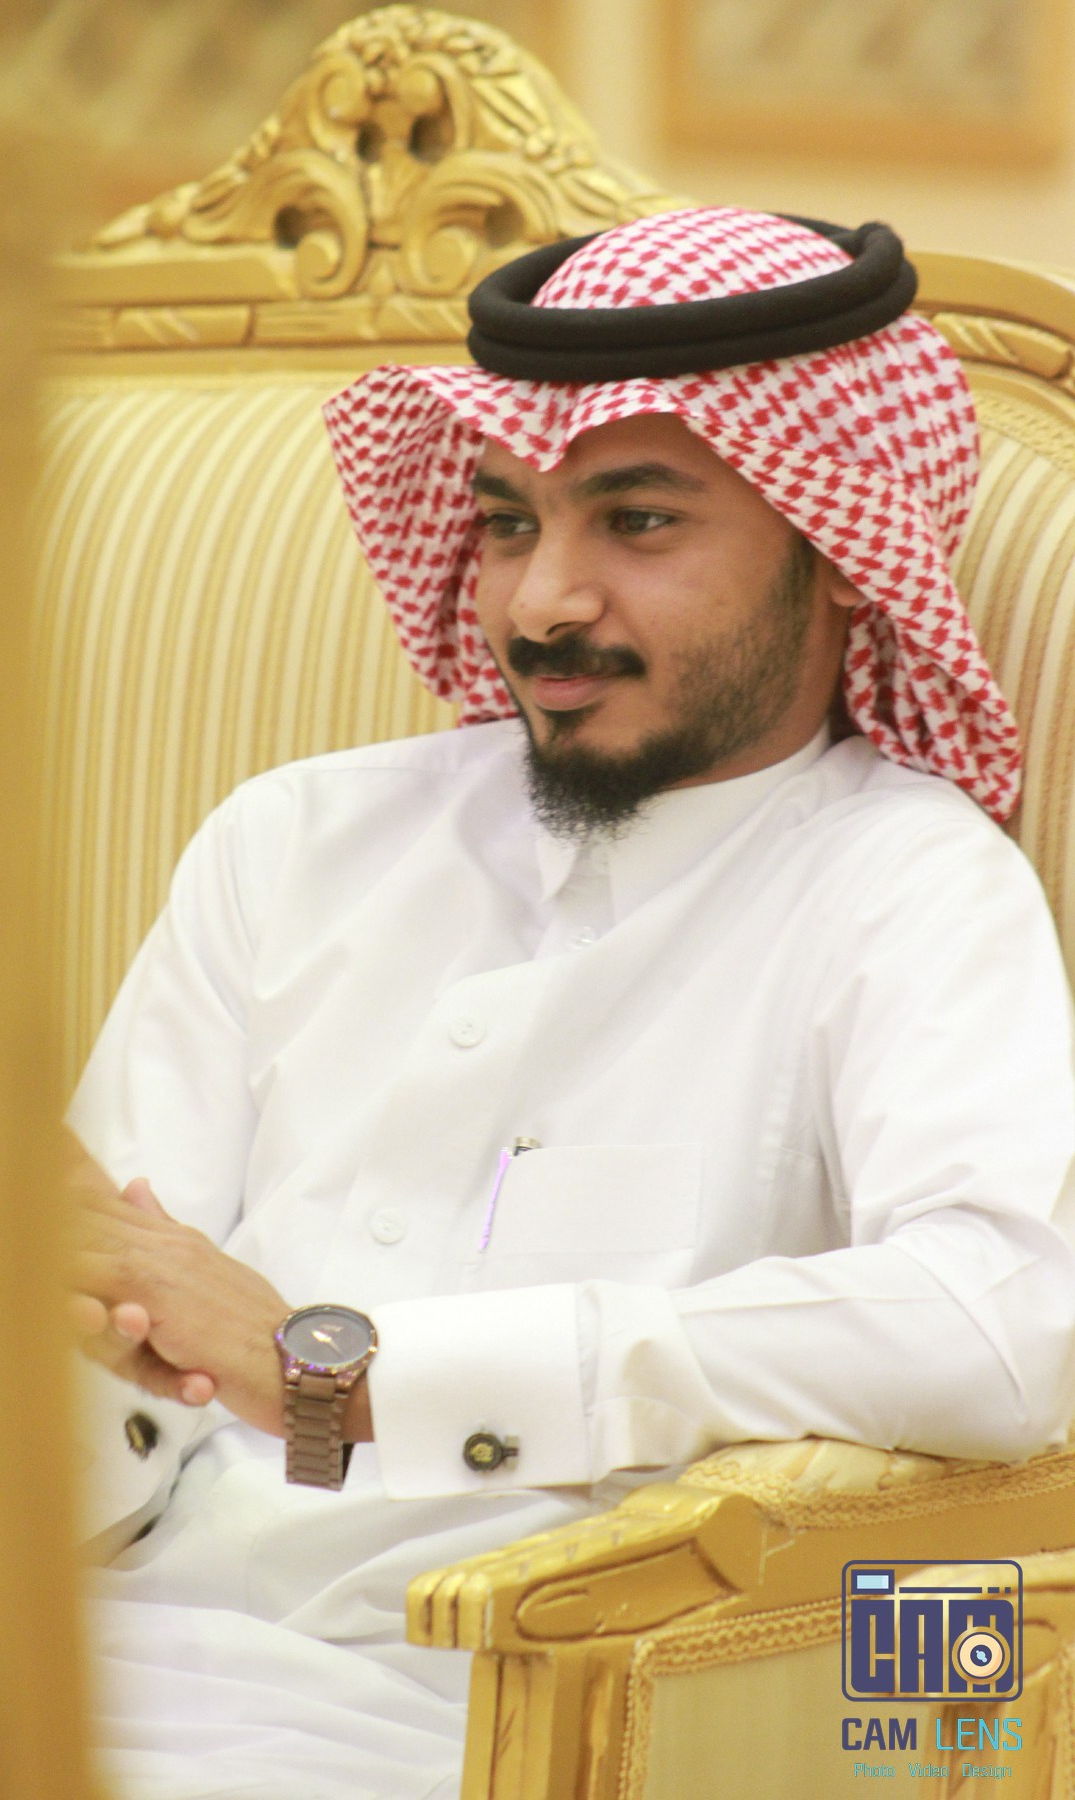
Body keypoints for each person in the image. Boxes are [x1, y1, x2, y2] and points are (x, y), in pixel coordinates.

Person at [67, 208, 1075, 1800]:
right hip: (94, 1649)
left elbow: (997, 1329)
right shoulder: (297, 838)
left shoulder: (906, 884)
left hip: (504, 1716)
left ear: (838, 547)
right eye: (506, 521)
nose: (542, 602)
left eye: (638, 522)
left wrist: (358, 1375)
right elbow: (121, 1324)